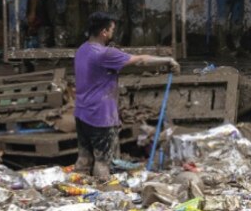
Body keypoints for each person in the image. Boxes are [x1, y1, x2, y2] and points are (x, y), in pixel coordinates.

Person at [74, 12, 179, 181]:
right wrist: (167, 60)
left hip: (81, 113)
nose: (113, 33)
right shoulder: (105, 53)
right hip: (100, 116)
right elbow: (141, 60)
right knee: (102, 162)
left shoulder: (82, 50)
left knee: (84, 158)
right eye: (112, 29)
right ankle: (103, 196)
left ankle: (76, 190)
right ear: (104, 32)